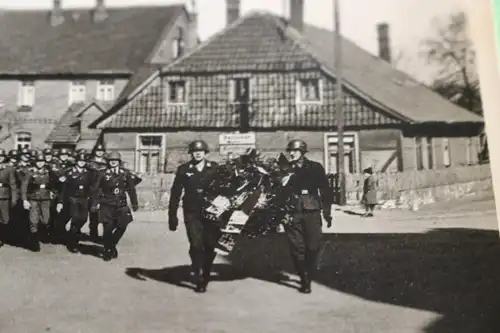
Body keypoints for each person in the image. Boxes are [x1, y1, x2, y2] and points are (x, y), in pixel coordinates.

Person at [168, 140, 219, 293]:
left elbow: (225, 188)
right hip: (192, 212)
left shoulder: (214, 168)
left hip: (211, 211)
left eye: (201, 151)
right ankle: (198, 272)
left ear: (205, 153)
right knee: (196, 244)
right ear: (191, 153)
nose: (198, 153)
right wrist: (172, 216)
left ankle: (206, 272)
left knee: (210, 245)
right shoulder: (184, 169)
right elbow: (175, 193)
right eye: (195, 151)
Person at [283, 139, 332, 294]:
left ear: (303, 152)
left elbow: (325, 190)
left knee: (313, 246)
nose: (291, 153)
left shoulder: (315, 168)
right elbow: (278, 193)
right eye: (290, 151)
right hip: (291, 212)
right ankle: (304, 279)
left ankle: (308, 273)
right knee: (297, 248)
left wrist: (327, 212)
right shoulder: (284, 169)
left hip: (312, 210)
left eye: (295, 151)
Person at [90, 152, 139, 261]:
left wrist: (134, 203)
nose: (113, 162)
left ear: (119, 162)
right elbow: (96, 189)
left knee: (122, 226)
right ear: (108, 162)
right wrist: (94, 203)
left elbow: (131, 189)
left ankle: (111, 245)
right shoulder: (102, 173)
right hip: (106, 204)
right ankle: (108, 250)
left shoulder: (125, 174)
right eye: (111, 160)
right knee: (107, 228)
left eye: (115, 160)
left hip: (121, 204)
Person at [57, 152, 94, 253]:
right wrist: (60, 201)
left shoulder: (89, 173)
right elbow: (64, 189)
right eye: (79, 161)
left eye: (83, 161)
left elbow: (92, 187)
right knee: (75, 219)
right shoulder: (69, 172)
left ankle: (72, 234)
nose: (81, 163)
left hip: (84, 199)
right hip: (72, 199)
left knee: (83, 219)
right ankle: (73, 243)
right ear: (76, 161)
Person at [20, 153, 56, 252]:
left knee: (46, 220)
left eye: (42, 162)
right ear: (35, 162)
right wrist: (24, 200)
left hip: (45, 199)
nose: (40, 164)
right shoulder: (30, 173)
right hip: (33, 198)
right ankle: (34, 242)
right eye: (38, 162)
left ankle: (39, 232)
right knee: (33, 220)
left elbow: (53, 184)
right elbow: (24, 187)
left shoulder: (48, 172)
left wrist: (53, 192)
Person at [87, 143, 107, 240]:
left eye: (101, 151)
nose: (99, 152)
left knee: (105, 213)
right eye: (98, 151)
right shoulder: (89, 163)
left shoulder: (107, 163)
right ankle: (93, 234)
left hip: (103, 190)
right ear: (95, 152)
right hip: (93, 190)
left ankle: (105, 234)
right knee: (93, 212)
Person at [0, 149, 18, 247]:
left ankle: (2, 237)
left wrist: (14, 198)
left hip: (4, 196)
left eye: (1, 156)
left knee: (5, 219)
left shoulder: (9, 169)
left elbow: (13, 184)